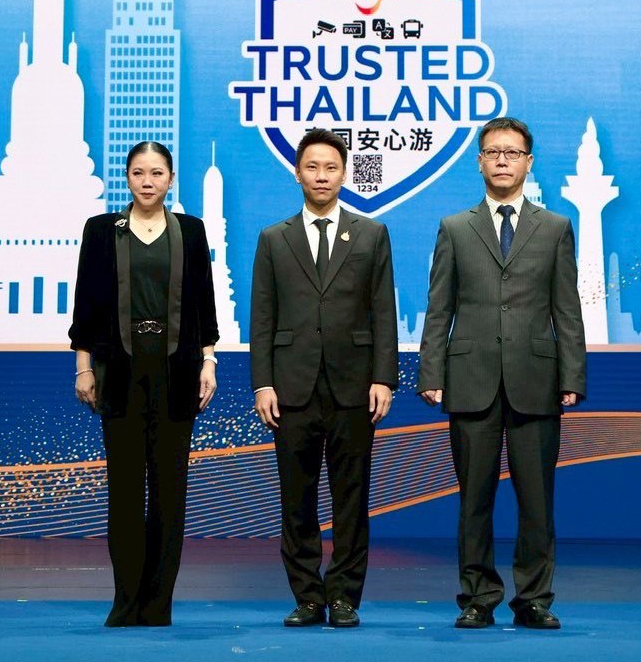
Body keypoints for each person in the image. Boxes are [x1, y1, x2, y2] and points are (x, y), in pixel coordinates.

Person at [418, 117, 585, 630]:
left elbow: (567, 308)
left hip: (536, 380)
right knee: (474, 500)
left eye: (512, 153)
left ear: (528, 162)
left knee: (537, 501)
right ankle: (477, 597)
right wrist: (431, 371)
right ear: (480, 162)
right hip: (471, 380)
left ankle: (534, 599)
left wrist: (572, 376)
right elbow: (439, 307)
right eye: (493, 153)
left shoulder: (554, 227)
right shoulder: (455, 227)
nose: (502, 161)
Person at [250, 129, 398, 628]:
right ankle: (308, 597)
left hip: (355, 387)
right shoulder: (274, 238)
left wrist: (384, 378)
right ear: (297, 173)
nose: (321, 176)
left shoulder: (371, 234)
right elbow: (262, 316)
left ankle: (344, 596)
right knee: (297, 499)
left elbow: (383, 311)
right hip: (291, 387)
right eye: (312, 167)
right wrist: (263, 383)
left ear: (344, 173)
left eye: (331, 167)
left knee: (351, 498)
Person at [69, 141, 219, 627]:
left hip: (178, 372)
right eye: (138, 172)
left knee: (170, 491)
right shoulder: (101, 230)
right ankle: (126, 600)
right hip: (119, 373)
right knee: (125, 490)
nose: (148, 181)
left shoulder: (190, 231)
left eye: (157, 173)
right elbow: (86, 305)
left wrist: (209, 361)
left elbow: (204, 304)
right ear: (127, 178)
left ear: (171, 179)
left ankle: (158, 604)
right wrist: (84, 367)